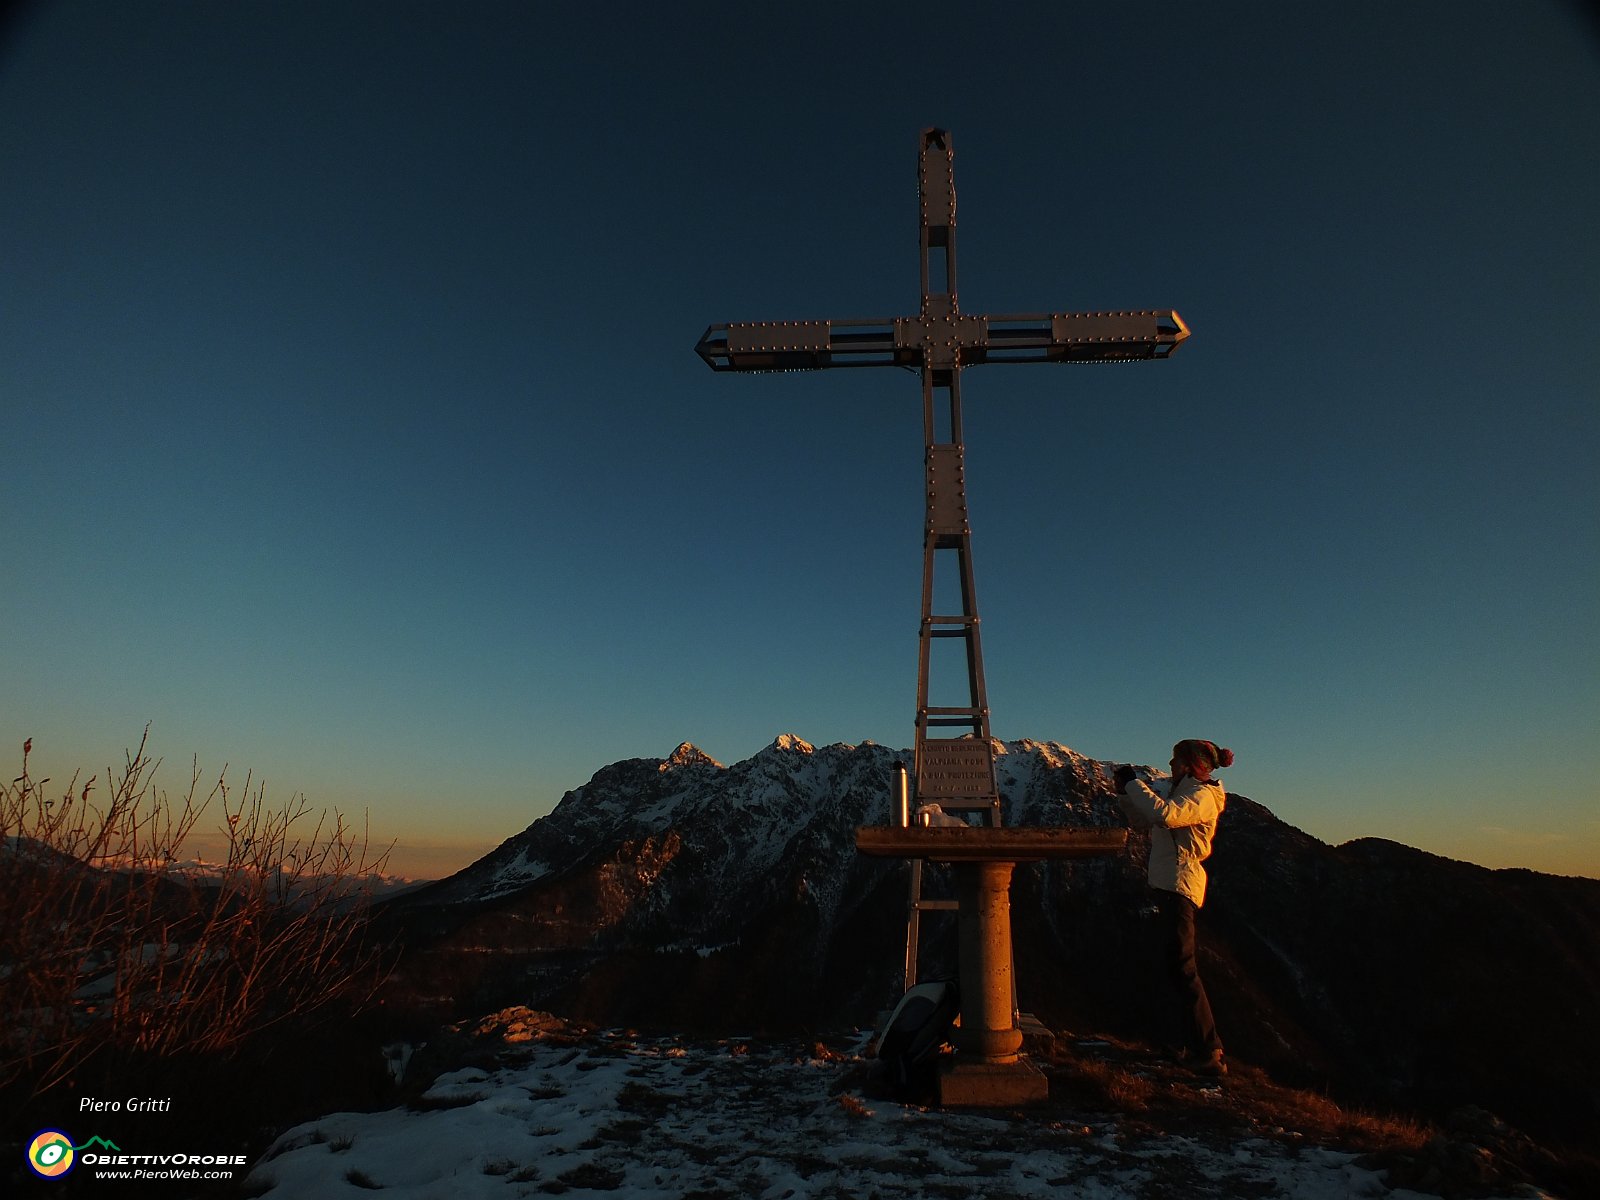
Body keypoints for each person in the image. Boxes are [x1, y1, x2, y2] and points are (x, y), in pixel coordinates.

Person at [1113, 739, 1234, 1077]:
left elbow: (1163, 816)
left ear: (1191, 764)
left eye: (1177, 759)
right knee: (1172, 967)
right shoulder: (1184, 791)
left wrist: (1133, 784)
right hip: (1169, 886)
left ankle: (1209, 1050)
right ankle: (1189, 1044)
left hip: (1179, 886)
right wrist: (1126, 793)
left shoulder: (1200, 796)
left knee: (1182, 967)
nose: (1170, 763)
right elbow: (1144, 819)